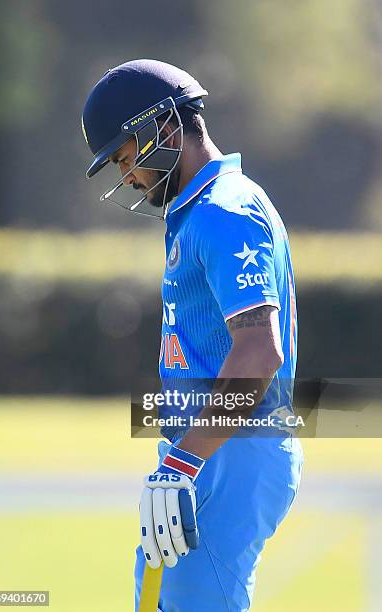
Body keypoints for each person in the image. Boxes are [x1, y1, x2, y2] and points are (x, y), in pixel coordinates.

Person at [82, 59, 303, 612]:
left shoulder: (226, 211)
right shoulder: (196, 210)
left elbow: (259, 351)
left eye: (127, 158)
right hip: (210, 449)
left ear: (163, 129)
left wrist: (184, 462)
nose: (126, 176)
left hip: (233, 452)